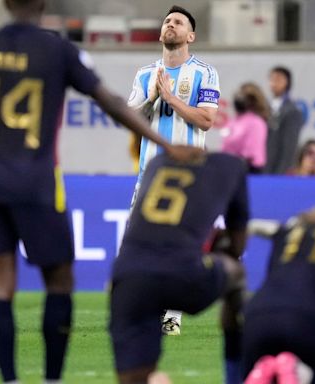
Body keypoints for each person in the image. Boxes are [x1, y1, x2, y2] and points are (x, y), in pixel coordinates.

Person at [0, 0, 195, 383]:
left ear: (7, 4)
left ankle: (10, 378)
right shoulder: (58, 50)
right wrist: (160, 140)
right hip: (38, 182)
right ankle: (52, 378)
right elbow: (109, 101)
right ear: (43, 4)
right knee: (60, 281)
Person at [109, 151, 249, 384]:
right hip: (182, 270)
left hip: (129, 274)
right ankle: (234, 375)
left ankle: (167, 334)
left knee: (135, 377)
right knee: (235, 273)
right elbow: (236, 246)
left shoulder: (156, 163)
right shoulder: (228, 168)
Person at [127, 4, 221, 336]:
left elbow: (207, 121)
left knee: (180, 245)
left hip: (188, 175)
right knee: (139, 245)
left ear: (190, 36)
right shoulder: (143, 74)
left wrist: (172, 98)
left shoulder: (205, 73)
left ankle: (171, 315)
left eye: (178, 22)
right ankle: (143, 309)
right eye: (167, 21)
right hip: (149, 174)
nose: (171, 24)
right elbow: (130, 120)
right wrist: (153, 96)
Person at [243, 203, 315, 383]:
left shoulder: (296, 230)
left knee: (177, 299)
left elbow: (264, 228)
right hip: (311, 319)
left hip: (256, 316)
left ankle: (281, 371)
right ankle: (297, 372)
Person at [221, 83, 268, 174]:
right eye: (239, 94)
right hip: (229, 167)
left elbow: (251, 154)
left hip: (248, 170)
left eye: (243, 96)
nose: (239, 98)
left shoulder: (256, 123)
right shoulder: (233, 121)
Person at [265, 66, 304, 174]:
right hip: (265, 168)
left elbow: (289, 147)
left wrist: (281, 173)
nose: (274, 83)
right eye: (271, 79)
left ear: (287, 82)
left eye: (278, 79)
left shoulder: (292, 111)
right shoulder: (266, 107)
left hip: (279, 170)